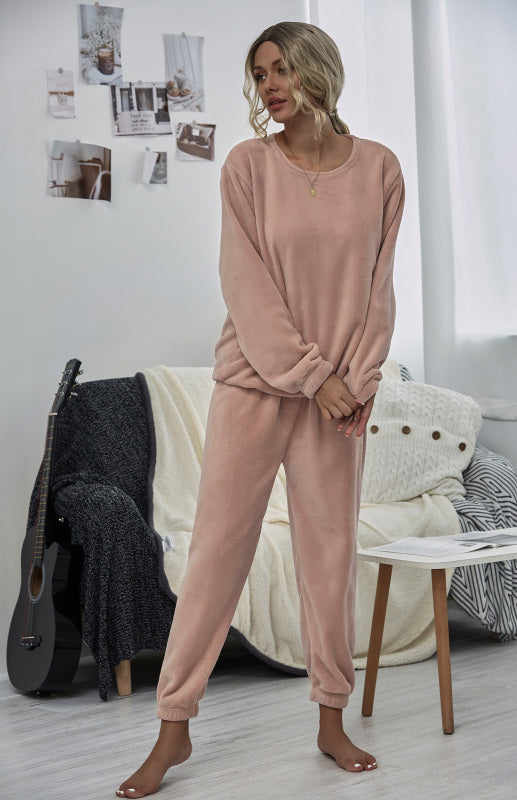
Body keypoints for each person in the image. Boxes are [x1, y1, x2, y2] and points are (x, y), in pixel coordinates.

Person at [116, 20, 405, 798]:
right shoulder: (247, 166)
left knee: (329, 558)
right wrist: (314, 376)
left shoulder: (380, 168)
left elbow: (378, 289)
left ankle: (331, 719)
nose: (268, 86)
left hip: (338, 400)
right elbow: (244, 286)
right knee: (216, 554)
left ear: (317, 69)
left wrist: (358, 380)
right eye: (259, 74)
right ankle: (173, 728)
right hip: (255, 386)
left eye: (280, 69)